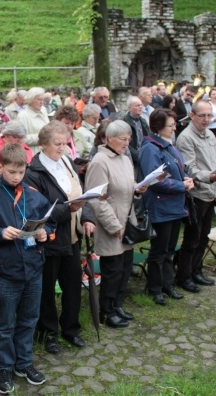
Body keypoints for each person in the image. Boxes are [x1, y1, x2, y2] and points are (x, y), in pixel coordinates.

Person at [0, 143, 54, 394]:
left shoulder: (34, 194)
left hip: (33, 269)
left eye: (21, 172)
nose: (17, 177)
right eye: (11, 172)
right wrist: (0, 232)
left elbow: (49, 225)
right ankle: (5, 367)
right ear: (0, 168)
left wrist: (44, 235)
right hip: (6, 272)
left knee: (29, 320)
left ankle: (24, 363)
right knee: (5, 324)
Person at [25, 121, 95, 351]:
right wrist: (69, 210)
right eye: (57, 144)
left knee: (73, 283)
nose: (62, 148)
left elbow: (80, 192)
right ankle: (48, 333)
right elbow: (37, 210)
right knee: (47, 288)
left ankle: (71, 328)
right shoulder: (33, 172)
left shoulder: (66, 161)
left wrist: (87, 218)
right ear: (43, 144)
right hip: (51, 239)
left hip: (72, 236)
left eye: (65, 143)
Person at [86, 121, 148, 325]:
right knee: (112, 270)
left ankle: (118, 304)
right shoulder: (100, 162)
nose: (127, 142)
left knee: (124, 267)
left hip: (127, 222)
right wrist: (114, 226)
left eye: (129, 138)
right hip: (111, 225)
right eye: (123, 139)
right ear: (110, 138)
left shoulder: (124, 158)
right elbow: (96, 198)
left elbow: (126, 188)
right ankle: (107, 310)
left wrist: (137, 190)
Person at [139, 109, 195, 305]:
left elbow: (178, 169)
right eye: (170, 125)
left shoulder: (168, 146)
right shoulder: (150, 148)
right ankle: (155, 288)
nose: (174, 128)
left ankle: (167, 284)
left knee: (170, 248)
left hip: (176, 205)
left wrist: (185, 178)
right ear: (158, 126)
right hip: (161, 205)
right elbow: (153, 180)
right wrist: (182, 186)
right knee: (159, 250)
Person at [174, 100, 216, 292]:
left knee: (204, 236)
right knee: (192, 237)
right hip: (197, 193)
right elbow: (189, 168)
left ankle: (196, 270)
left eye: (209, 115)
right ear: (192, 115)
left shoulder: (210, 134)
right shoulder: (186, 138)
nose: (206, 119)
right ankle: (184, 275)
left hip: (211, 191)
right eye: (202, 115)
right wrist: (209, 178)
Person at [17, 87, 50, 154]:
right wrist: (42, 137)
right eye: (39, 100)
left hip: (46, 152)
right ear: (31, 100)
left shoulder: (43, 110)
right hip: (33, 153)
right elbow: (21, 139)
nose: (42, 102)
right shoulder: (23, 116)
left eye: (43, 100)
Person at [122, 96, 150, 167]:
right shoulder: (124, 122)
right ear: (129, 108)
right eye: (137, 105)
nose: (140, 107)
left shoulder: (143, 121)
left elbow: (148, 138)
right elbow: (125, 144)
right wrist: (137, 155)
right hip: (131, 158)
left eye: (141, 105)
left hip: (144, 155)